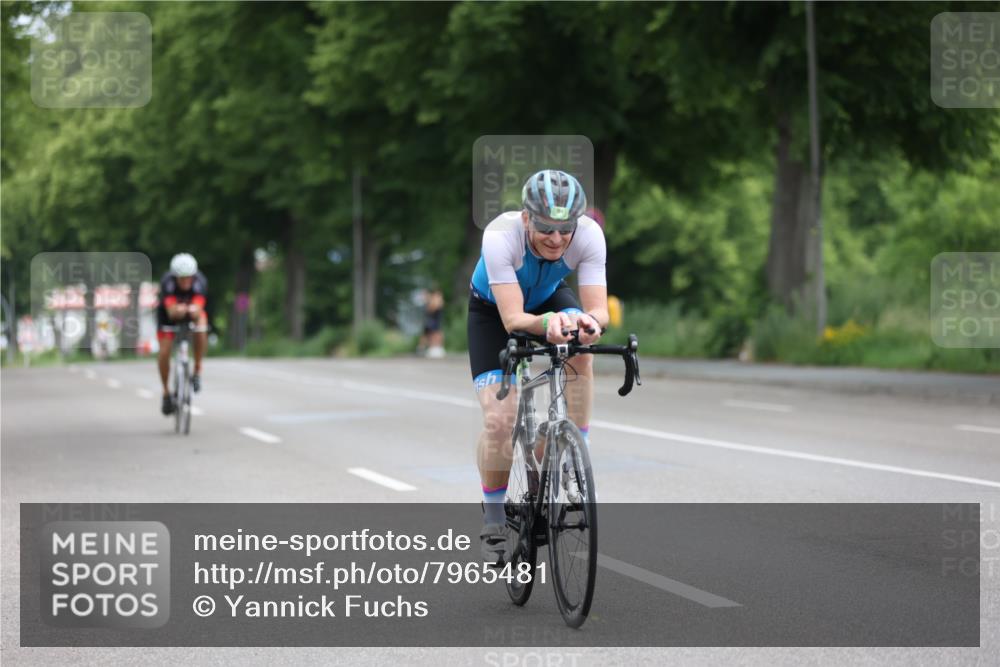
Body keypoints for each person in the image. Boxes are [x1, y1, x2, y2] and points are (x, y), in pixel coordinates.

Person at [467, 169, 608, 564]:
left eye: (565, 229)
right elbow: (514, 320)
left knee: (582, 342)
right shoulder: (500, 236)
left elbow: (597, 308)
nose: (557, 238)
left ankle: (574, 450)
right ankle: (494, 516)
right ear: (526, 217)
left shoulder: (589, 234)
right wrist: (547, 325)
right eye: (546, 227)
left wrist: (589, 323)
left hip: (548, 298)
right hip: (494, 312)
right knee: (500, 420)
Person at [157, 253, 209, 415]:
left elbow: (197, 310)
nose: (186, 281)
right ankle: (166, 392)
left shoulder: (200, 282)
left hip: (191, 313)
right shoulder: (167, 283)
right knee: (164, 352)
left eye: (188, 278)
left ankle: (197, 370)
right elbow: (172, 313)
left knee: (201, 327)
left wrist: (190, 310)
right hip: (168, 317)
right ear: (175, 277)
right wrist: (180, 310)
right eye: (181, 278)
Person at [422, 287, 445, 358]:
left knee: (436, 333)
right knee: (431, 334)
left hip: (435, 320)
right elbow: (430, 310)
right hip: (432, 320)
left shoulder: (437, 301)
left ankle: (436, 347)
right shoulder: (433, 301)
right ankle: (430, 348)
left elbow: (433, 309)